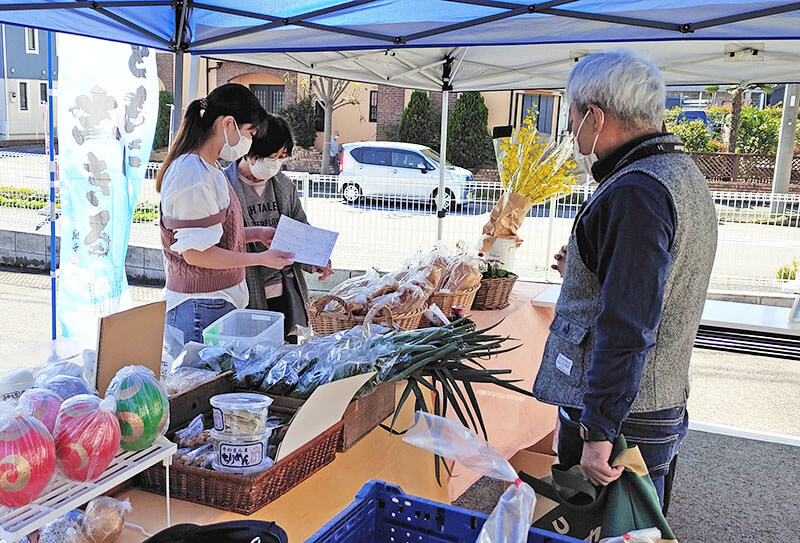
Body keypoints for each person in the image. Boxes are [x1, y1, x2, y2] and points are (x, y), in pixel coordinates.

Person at [533, 49, 718, 512]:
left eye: (571, 116)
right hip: (655, 400)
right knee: (639, 527)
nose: (571, 131)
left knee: (606, 524)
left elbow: (627, 324)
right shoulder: (678, 172)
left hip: (624, 416)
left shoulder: (637, 191)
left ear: (594, 117)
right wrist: (579, 270)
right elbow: (648, 283)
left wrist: (597, 432)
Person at [156, 84, 295, 345]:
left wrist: (254, 234)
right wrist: (260, 259)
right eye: (249, 133)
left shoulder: (209, 168)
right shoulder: (192, 174)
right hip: (198, 309)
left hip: (213, 305)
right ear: (228, 124)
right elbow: (196, 253)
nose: (250, 141)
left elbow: (212, 237)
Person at [224, 114, 333, 341]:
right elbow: (221, 239)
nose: (276, 163)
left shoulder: (283, 185)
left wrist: (315, 259)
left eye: (281, 158)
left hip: (286, 291)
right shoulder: (224, 185)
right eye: (272, 156)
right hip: (246, 292)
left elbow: (300, 228)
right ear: (251, 152)